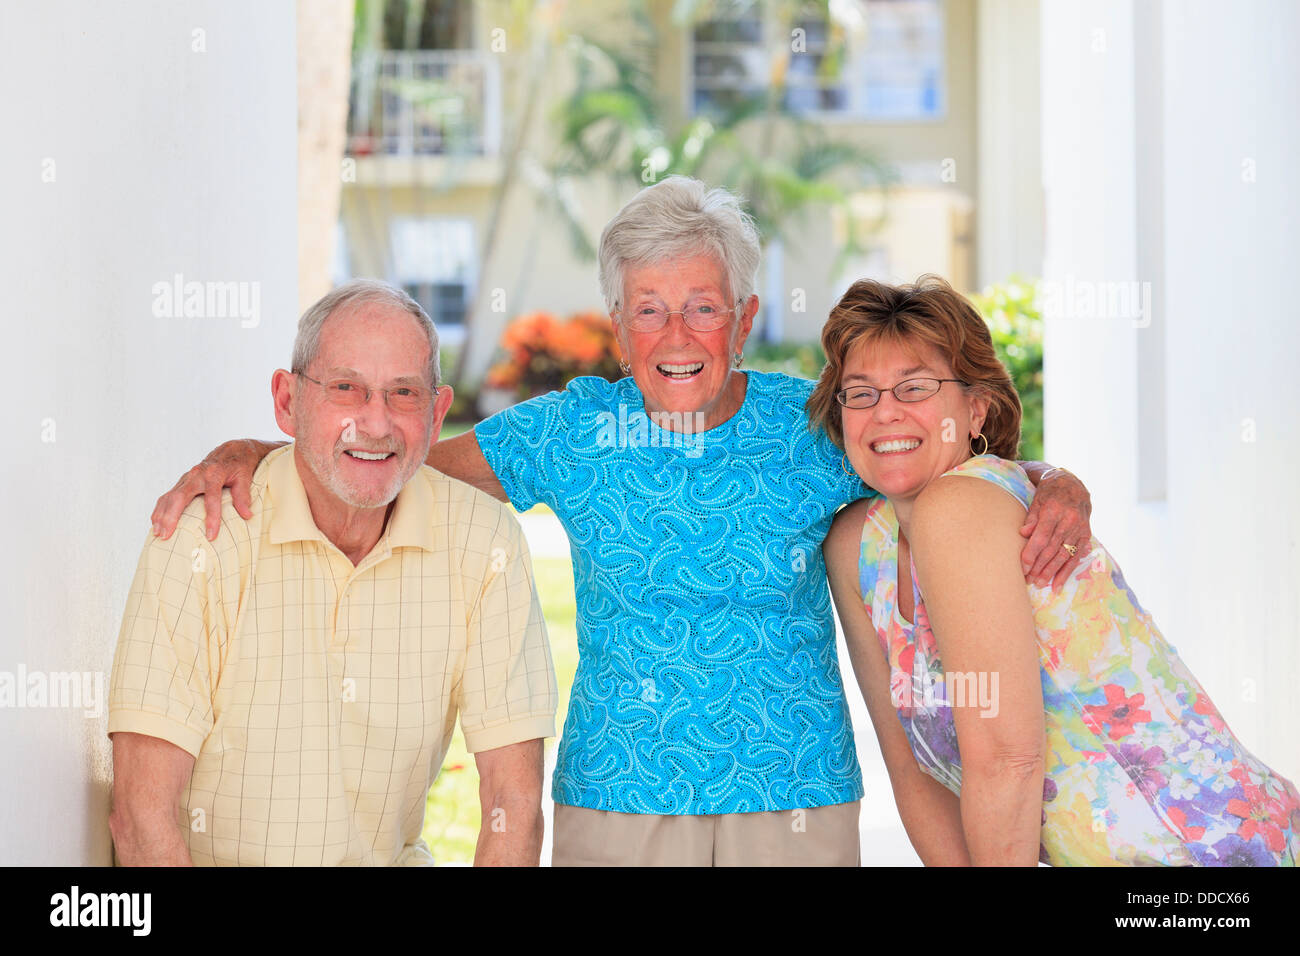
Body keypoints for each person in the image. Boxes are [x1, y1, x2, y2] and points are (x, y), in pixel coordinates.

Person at [148, 177, 1093, 866]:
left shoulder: (809, 423)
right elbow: (389, 458)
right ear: (616, 322)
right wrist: (258, 454)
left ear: (745, 314)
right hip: (616, 797)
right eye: (649, 310)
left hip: (795, 797)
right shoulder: (571, 429)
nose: (676, 336)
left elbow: (929, 456)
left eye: (702, 308)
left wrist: (1053, 484)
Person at [815, 275, 1300, 866]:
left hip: (1211, 854)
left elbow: (1007, 760)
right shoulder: (856, 543)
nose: (884, 412)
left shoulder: (964, 505)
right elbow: (913, 772)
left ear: (976, 409)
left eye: (914, 387)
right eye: (860, 393)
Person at [108, 280, 558, 866]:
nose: (374, 423)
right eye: (346, 388)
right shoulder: (202, 539)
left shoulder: (485, 540)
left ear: (438, 411)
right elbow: (142, 819)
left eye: (403, 393)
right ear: (287, 400)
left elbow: (514, 803)